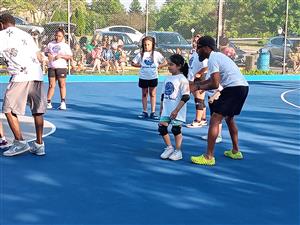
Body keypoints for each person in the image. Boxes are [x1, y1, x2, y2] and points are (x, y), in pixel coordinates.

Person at [190, 36, 249, 166]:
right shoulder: (216, 56)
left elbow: (215, 84)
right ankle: (235, 151)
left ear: (206, 48)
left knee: (215, 118)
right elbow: (212, 80)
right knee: (229, 118)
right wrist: (197, 85)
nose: (197, 51)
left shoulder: (212, 58)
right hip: (242, 87)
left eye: (198, 48)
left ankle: (208, 157)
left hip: (234, 88)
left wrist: (199, 87)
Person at [0, 13, 47, 156]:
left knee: (8, 108)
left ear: (1, 24)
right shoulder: (26, 35)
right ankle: (39, 145)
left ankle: (20, 142)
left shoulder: (2, 35)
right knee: (37, 110)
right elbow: (39, 55)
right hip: (37, 74)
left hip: (21, 76)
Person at [159, 54, 190, 161]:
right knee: (162, 127)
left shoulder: (182, 79)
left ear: (179, 66)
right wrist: (161, 108)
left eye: (171, 64)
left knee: (176, 129)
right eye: (168, 64)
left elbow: (186, 96)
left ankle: (178, 150)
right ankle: (169, 147)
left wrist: (176, 110)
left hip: (177, 110)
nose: (169, 66)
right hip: (167, 110)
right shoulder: (167, 78)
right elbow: (163, 94)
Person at [131, 36, 168, 120]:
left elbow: (165, 62)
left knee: (153, 94)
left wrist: (158, 66)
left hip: (153, 77)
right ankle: (144, 111)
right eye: (145, 45)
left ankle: (153, 112)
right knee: (144, 94)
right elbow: (132, 63)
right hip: (143, 77)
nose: (146, 46)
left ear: (152, 45)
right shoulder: (140, 54)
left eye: (148, 44)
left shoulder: (156, 54)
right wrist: (139, 65)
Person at [45, 28, 73, 110]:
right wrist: (48, 54)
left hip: (61, 67)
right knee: (51, 85)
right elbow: (45, 52)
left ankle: (63, 102)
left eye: (59, 36)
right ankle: (48, 102)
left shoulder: (65, 46)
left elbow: (70, 56)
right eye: (56, 35)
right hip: (51, 67)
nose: (57, 37)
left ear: (63, 37)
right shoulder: (50, 44)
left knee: (62, 84)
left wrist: (61, 56)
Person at [186, 34, 208, 128]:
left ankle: (197, 120)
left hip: (200, 78)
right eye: (194, 41)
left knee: (198, 99)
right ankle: (203, 119)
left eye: (197, 42)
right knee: (199, 98)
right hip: (192, 78)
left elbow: (207, 67)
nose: (195, 43)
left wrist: (199, 73)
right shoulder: (193, 53)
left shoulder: (203, 54)